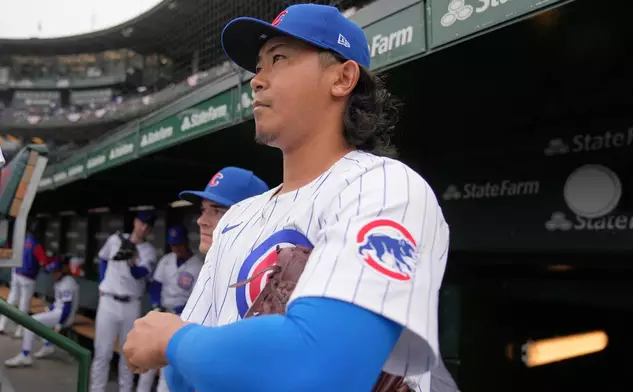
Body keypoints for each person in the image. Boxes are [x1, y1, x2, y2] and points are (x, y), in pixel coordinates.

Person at [123, 4, 459, 392]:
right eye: (258, 65)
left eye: (279, 58)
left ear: (342, 77)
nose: (256, 80)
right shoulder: (236, 218)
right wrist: (203, 352)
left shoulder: (386, 187)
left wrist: (173, 340)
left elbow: (323, 370)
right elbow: (183, 377)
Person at [140, 167, 269, 392]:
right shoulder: (213, 271)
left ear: (254, 216)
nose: (202, 220)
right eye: (203, 210)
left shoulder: (263, 286)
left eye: (217, 211)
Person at [90, 211, 158, 392]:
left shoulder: (149, 251)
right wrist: (102, 281)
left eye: (148, 226)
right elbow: (103, 258)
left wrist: (132, 258)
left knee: (127, 355)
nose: (144, 228)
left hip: (131, 305)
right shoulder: (116, 239)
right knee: (102, 353)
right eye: (142, 223)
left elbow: (140, 274)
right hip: (108, 302)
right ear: (136, 222)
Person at [135, 225, 204, 392]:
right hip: (163, 312)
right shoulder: (166, 260)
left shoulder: (198, 265)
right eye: (173, 245)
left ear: (186, 242)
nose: (176, 248)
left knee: (168, 366)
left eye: (179, 244)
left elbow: (199, 296)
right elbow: (155, 286)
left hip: (182, 316)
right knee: (147, 362)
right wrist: (156, 305)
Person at [4, 255, 80, 367]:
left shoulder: (67, 283)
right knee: (36, 323)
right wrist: (47, 309)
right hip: (59, 312)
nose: (53, 274)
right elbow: (59, 303)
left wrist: (59, 325)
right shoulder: (61, 280)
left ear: (62, 271)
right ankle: (48, 346)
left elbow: (67, 308)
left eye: (55, 272)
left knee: (31, 323)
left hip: (65, 316)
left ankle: (25, 355)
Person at [0, 221, 57, 337]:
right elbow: (45, 262)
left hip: (16, 274)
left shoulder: (23, 240)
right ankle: (19, 331)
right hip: (28, 278)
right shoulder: (36, 245)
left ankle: (1, 325)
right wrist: (54, 259)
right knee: (24, 305)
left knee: (11, 301)